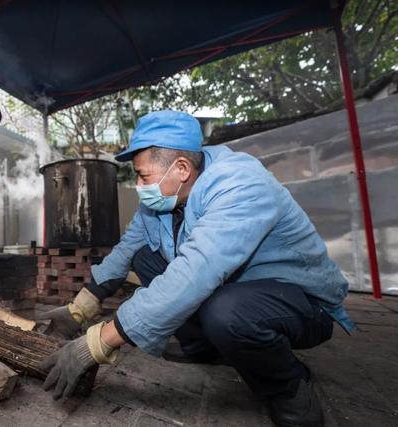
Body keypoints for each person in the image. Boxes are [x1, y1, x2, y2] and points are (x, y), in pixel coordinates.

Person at [37, 110, 354, 427]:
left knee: (227, 313)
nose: (138, 185)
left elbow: (194, 273)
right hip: (234, 286)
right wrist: (79, 309)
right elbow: (126, 249)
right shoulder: (161, 201)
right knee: (145, 256)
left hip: (300, 303)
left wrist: (100, 341)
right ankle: (204, 347)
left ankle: (288, 386)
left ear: (181, 169)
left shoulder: (240, 185)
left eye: (143, 176)